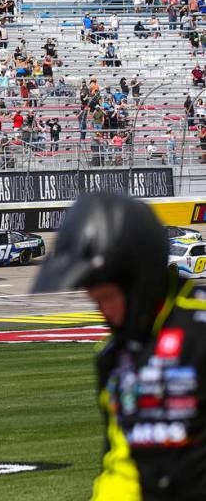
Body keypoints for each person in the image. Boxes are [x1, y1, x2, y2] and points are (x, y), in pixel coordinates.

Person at [33, 194, 206, 500]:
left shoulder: (198, 332)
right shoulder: (114, 359)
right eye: (95, 300)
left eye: (108, 297)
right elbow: (121, 468)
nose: (104, 314)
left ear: (140, 279)